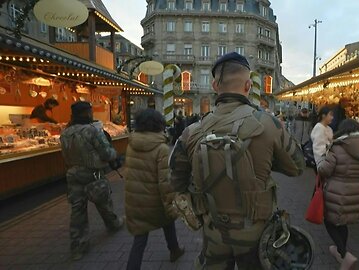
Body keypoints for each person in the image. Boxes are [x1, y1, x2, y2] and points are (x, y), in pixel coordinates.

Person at [169, 52, 305, 270]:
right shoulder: (269, 125)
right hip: (257, 233)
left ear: (214, 85)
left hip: (214, 231)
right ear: (248, 85)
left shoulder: (191, 132)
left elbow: (175, 181)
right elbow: (298, 166)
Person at [60, 102, 124, 260]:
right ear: (87, 113)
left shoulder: (65, 132)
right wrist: (114, 155)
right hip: (92, 173)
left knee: (77, 210)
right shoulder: (91, 131)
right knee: (103, 202)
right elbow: (106, 153)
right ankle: (113, 223)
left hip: (72, 174)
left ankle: (78, 247)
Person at [125, 109, 184, 269]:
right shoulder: (161, 148)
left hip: (135, 200)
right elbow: (165, 182)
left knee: (140, 238)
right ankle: (174, 250)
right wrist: (171, 205)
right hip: (154, 201)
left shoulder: (131, 144)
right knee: (168, 221)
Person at [318, 119, 359, 270]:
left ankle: (344, 254)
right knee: (343, 221)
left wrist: (322, 160)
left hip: (337, 188)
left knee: (329, 220)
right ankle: (339, 251)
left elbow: (324, 170)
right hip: (356, 188)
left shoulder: (338, 147)